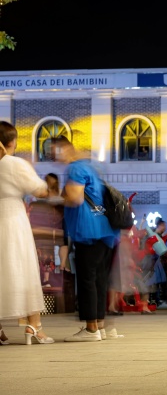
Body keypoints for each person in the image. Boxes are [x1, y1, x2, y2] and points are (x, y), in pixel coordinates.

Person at [52, 136, 119, 342]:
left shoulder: (75, 169)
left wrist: (53, 198)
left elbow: (75, 198)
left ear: (64, 149)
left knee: (86, 279)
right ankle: (99, 325)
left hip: (87, 230)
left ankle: (91, 329)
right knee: (99, 278)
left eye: (54, 151)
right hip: (106, 230)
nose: (54, 157)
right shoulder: (93, 167)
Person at [0, 122, 53, 345]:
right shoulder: (14, 163)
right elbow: (40, 190)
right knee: (23, 267)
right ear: (13, 141)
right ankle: (34, 327)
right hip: (12, 217)